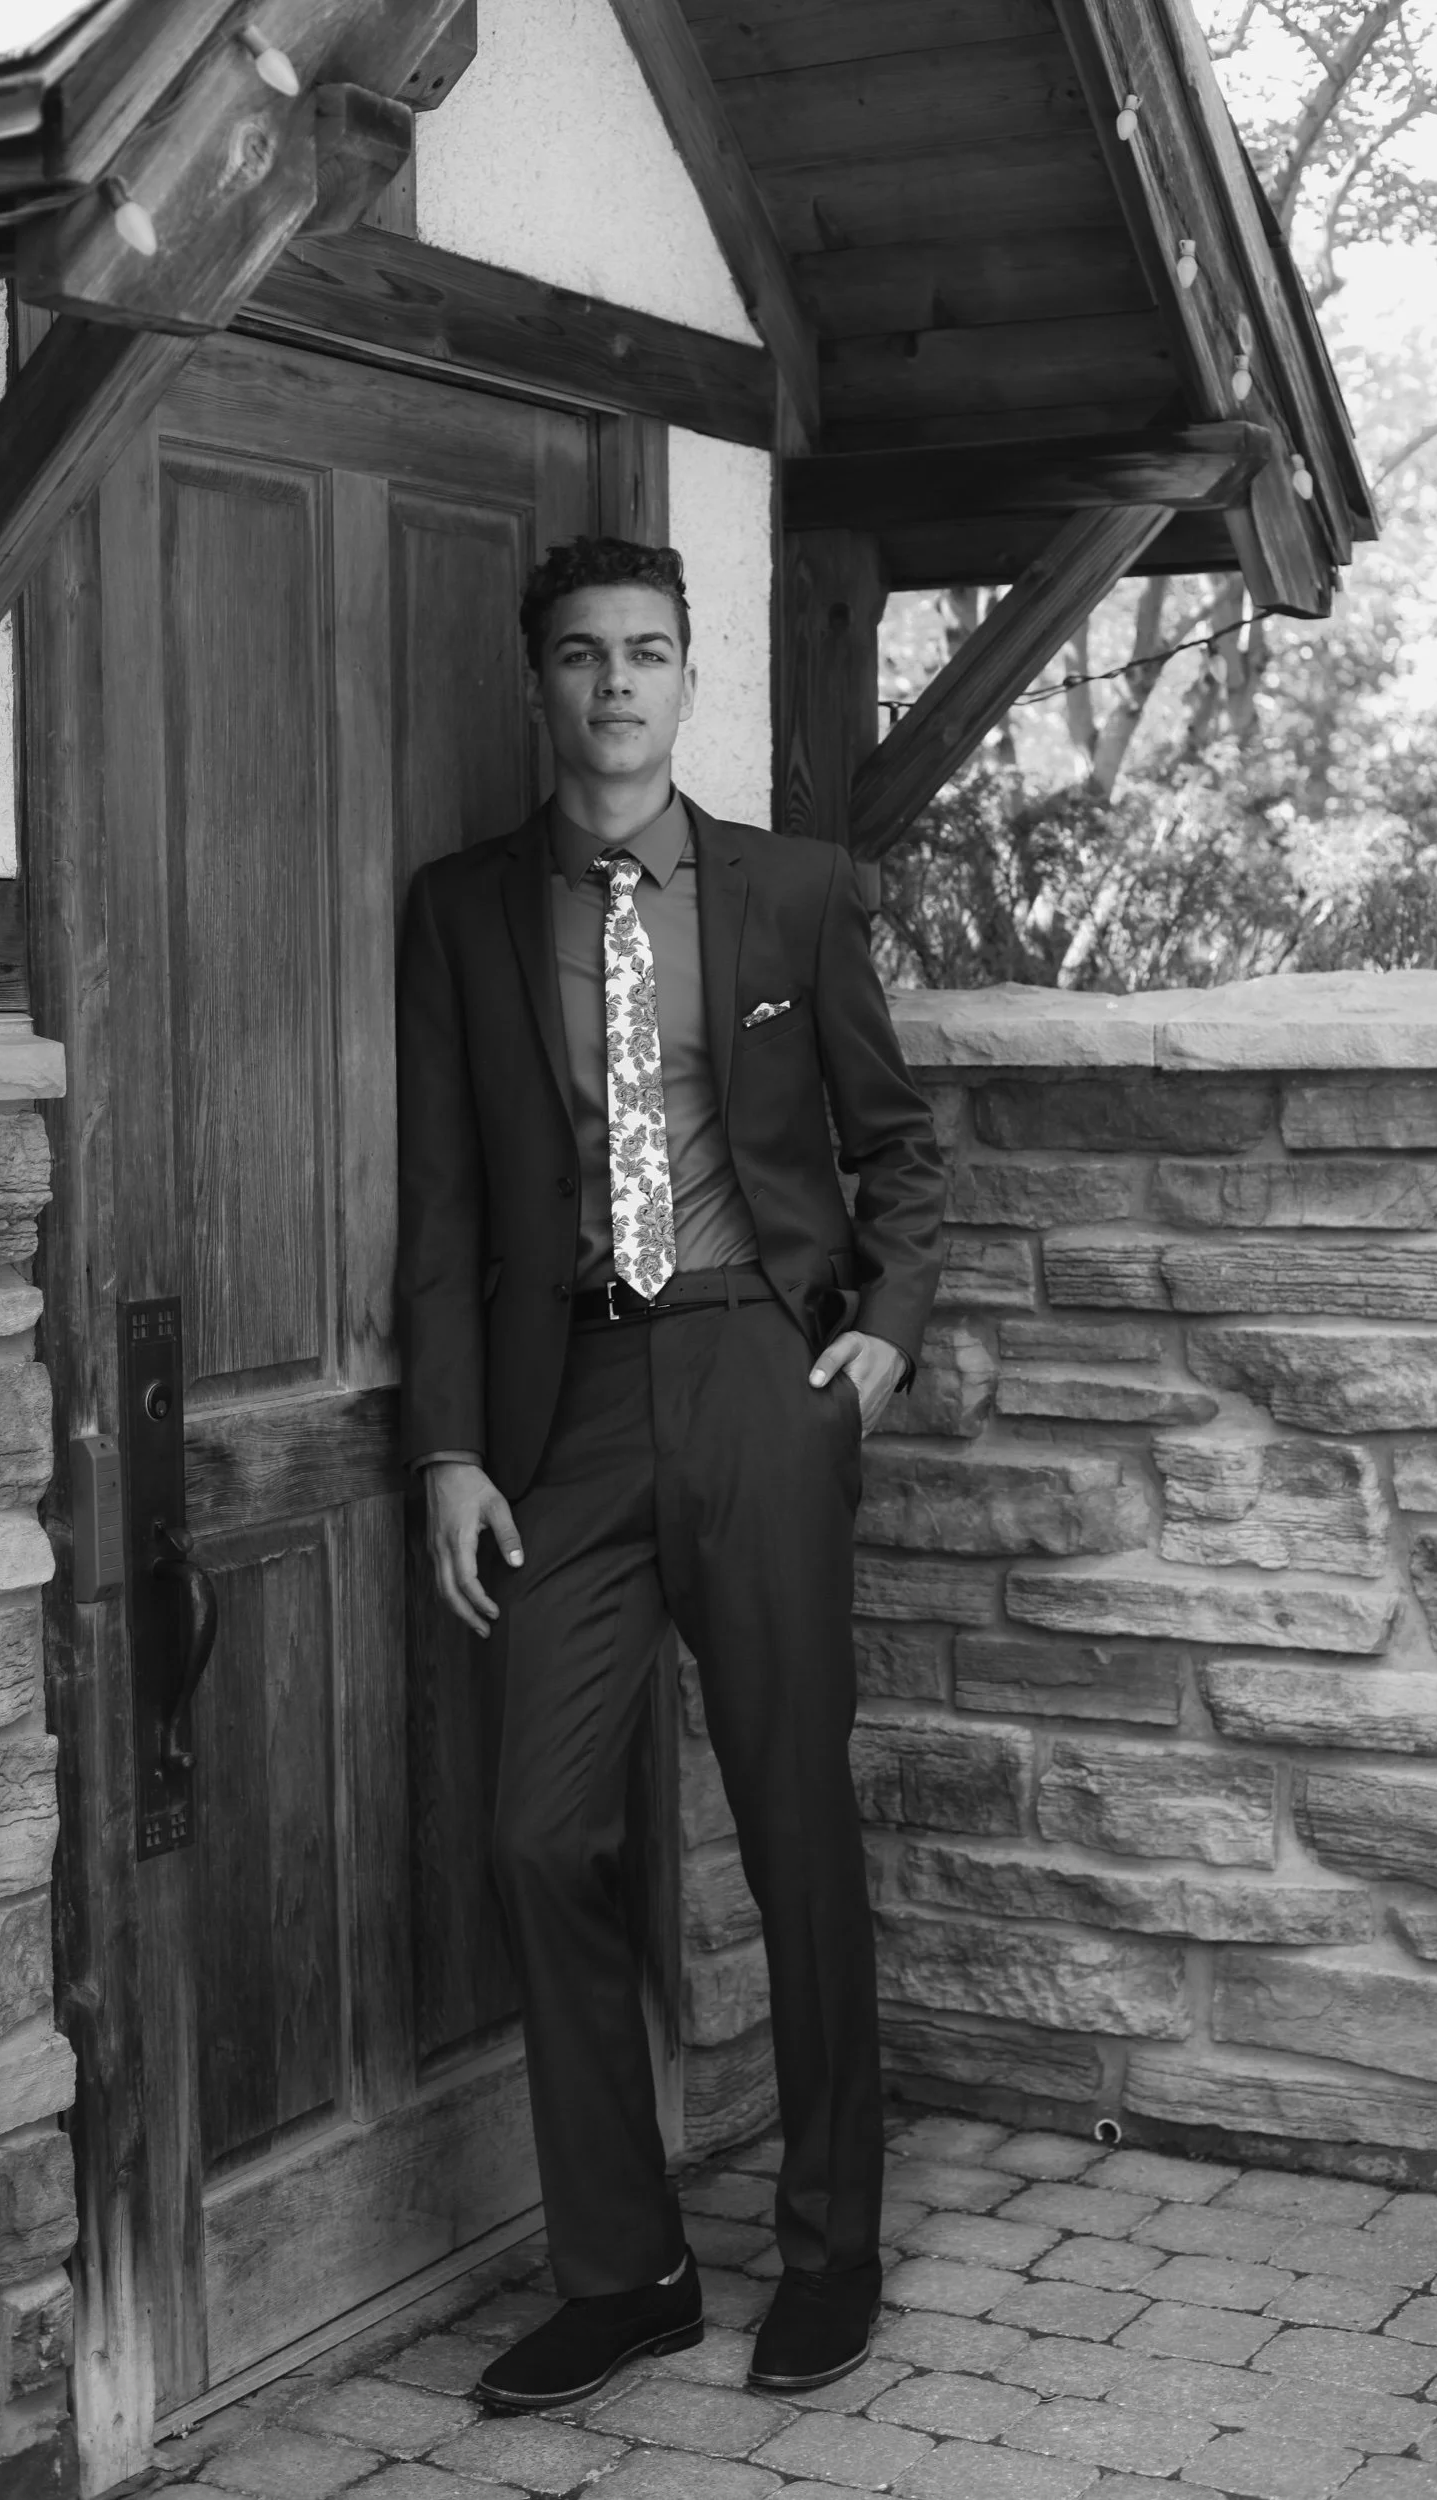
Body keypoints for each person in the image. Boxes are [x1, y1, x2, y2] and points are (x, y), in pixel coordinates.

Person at [396, 535, 945, 2412]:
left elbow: (898, 1148)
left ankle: (831, 2249)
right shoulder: (462, 913)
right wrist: (450, 1446)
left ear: (688, 679)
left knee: (791, 1823)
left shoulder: (792, 890)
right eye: (580, 654)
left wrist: (878, 1337)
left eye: (646, 652)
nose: (615, 683)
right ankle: (625, 2273)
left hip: (753, 1372)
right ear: (537, 684)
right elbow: (443, 1203)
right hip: (561, 1409)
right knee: (540, 1832)